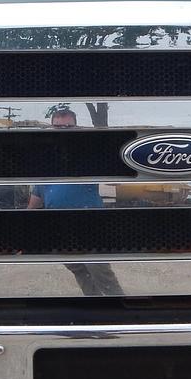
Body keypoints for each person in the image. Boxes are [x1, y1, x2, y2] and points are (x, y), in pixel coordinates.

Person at [27, 106, 122, 296]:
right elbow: (38, 193)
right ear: (52, 127)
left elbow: (114, 179)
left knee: (99, 271)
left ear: (75, 128)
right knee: (78, 269)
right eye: (58, 127)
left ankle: (120, 308)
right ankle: (95, 307)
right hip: (59, 227)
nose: (62, 131)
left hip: (89, 225)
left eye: (67, 127)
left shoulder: (87, 154)